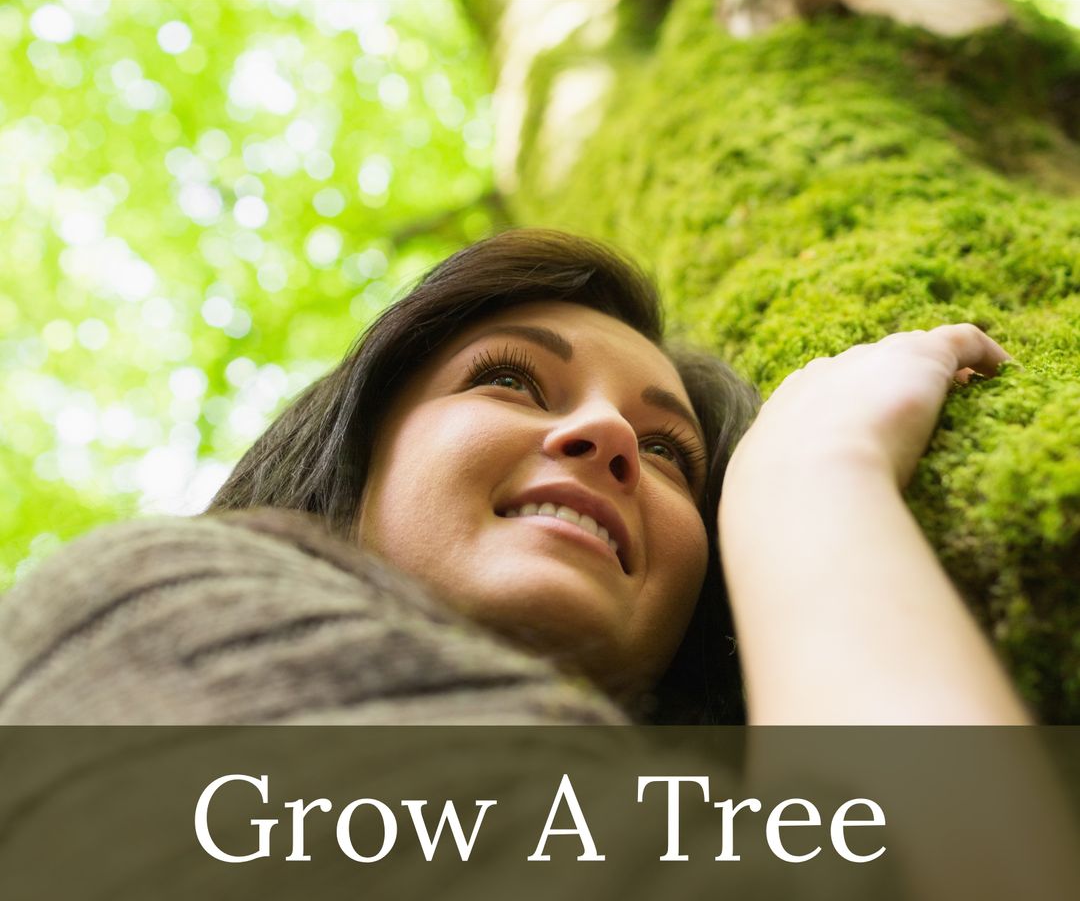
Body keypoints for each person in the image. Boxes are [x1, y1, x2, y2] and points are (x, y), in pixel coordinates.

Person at [0, 229, 1028, 726]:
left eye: (671, 452)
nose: (608, 439)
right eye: (509, 382)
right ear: (350, 460)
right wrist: (812, 486)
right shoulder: (139, 609)